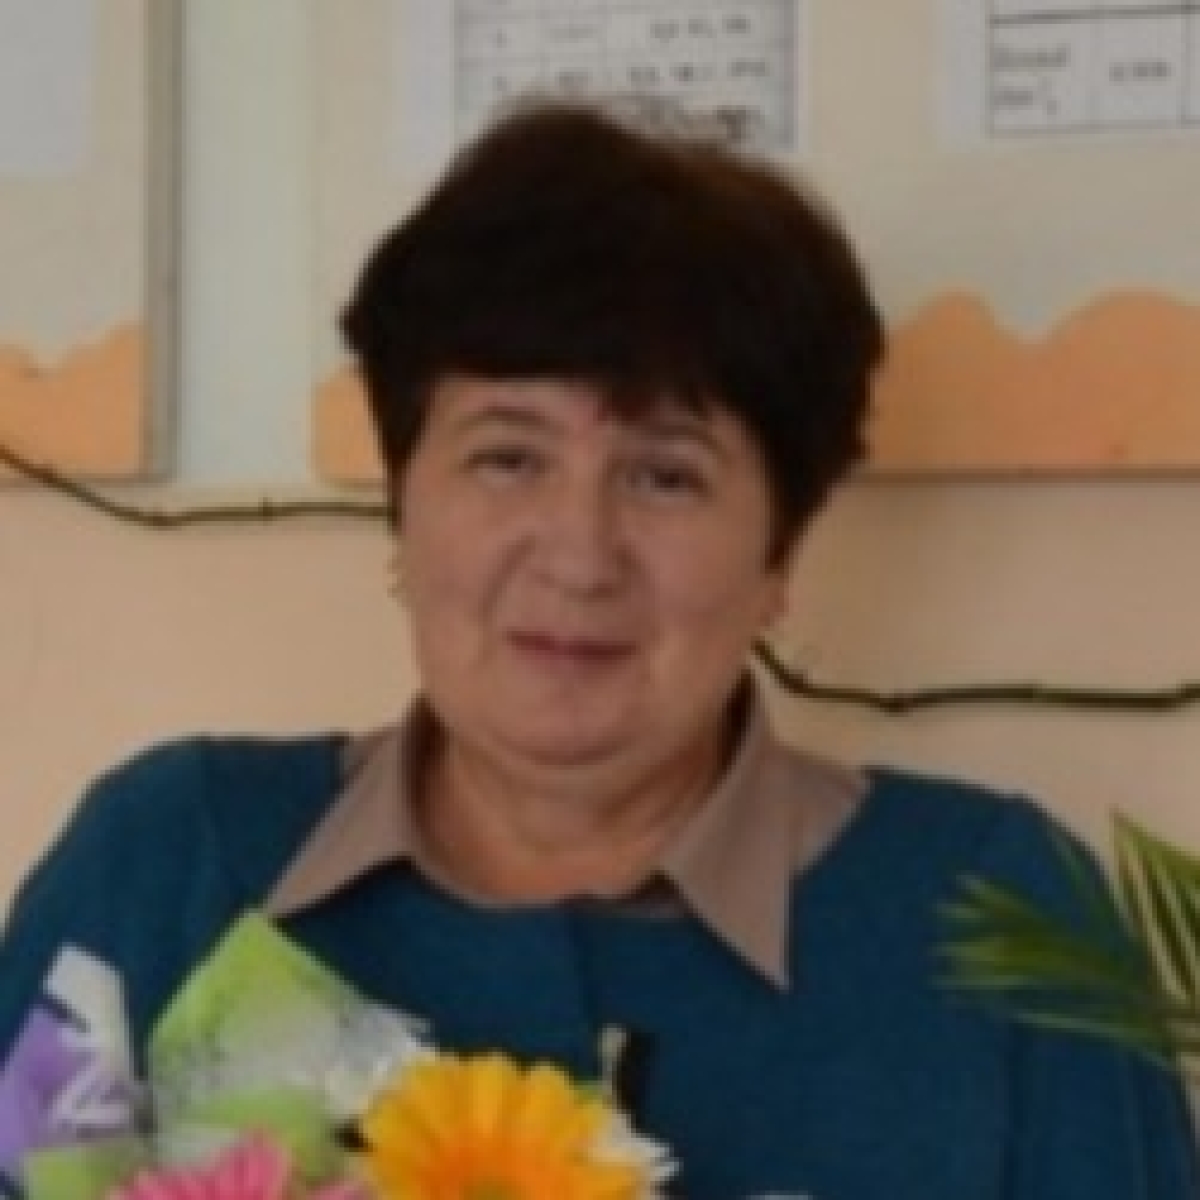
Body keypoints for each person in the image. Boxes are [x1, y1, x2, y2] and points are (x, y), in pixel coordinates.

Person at [0, 99, 1195, 1200]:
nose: (579, 555)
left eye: (666, 476)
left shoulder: (991, 914)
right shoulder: (168, 866)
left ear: (780, 552)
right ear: (403, 507)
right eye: (507, 457)